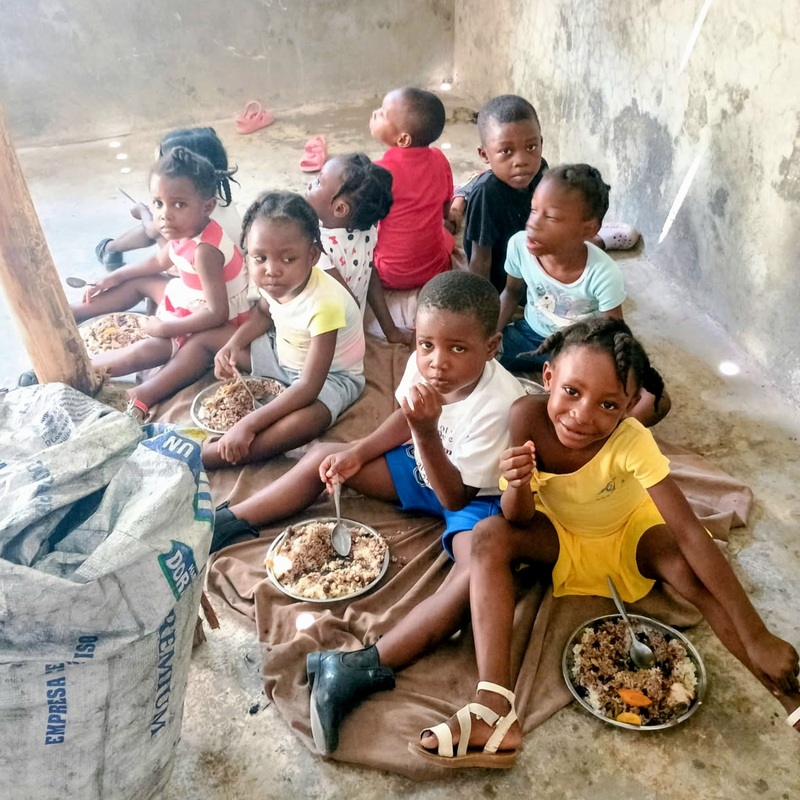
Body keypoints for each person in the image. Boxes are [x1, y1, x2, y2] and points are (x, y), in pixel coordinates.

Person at [412, 317, 800, 767]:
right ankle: (493, 709)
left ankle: (789, 694)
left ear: (632, 405)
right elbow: (519, 518)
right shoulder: (525, 418)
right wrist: (516, 485)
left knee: (691, 573)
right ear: (549, 378)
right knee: (488, 535)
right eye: (572, 393)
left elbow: (691, 532)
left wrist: (758, 633)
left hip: (630, 534)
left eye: (609, 405)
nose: (582, 416)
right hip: (564, 537)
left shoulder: (633, 442)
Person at [209, 272, 527, 754]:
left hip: (472, 498)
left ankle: (358, 669)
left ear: (492, 346)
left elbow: (453, 498)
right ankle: (229, 522)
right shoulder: (424, 366)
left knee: (474, 574)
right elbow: (404, 417)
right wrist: (359, 451)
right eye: (426, 345)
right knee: (324, 456)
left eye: (458, 349)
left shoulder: (501, 405)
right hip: (422, 466)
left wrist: (423, 432)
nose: (437, 363)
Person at [128, 191, 366, 467]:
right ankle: (144, 396)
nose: (272, 270)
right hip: (283, 352)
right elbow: (263, 314)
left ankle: (207, 457)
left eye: (288, 259)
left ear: (312, 255)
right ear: (248, 254)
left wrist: (249, 424)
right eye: (259, 258)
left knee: (306, 423)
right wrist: (234, 345)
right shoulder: (278, 282)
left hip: (330, 378)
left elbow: (309, 387)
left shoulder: (325, 304)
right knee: (207, 339)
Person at [497, 163, 669, 426]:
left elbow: (615, 332)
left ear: (588, 229)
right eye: (533, 210)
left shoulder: (602, 274)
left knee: (653, 397)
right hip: (529, 335)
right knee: (474, 356)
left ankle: (614, 435)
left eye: (551, 217)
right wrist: (491, 335)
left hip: (581, 348)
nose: (533, 223)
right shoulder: (519, 246)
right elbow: (511, 292)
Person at [71, 147, 249, 379]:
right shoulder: (184, 230)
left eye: (179, 204)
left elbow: (217, 312)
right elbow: (159, 260)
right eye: (158, 203)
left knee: (151, 349)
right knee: (139, 281)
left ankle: (77, 371)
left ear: (207, 207)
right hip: (191, 295)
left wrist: (165, 328)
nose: (165, 214)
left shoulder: (206, 250)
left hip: (213, 318)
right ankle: (71, 314)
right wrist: (116, 276)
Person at [364, 87, 457, 340]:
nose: (375, 114)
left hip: (390, 274)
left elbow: (366, 225)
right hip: (434, 267)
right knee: (441, 232)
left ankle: (389, 329)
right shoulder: (439, 159)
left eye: (382, 114)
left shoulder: (379, 173)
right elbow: (446, 207)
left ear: (403, 139)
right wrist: (444, 222)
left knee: (364, 253)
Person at [95, 127, 242, 269]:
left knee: (160, 223)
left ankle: (110, 249)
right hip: (223, 265)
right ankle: (111, 248)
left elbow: (152, 231)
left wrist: (141, 211)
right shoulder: (211, 194)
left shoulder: (198, 207)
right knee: (164, 218)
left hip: (202, 271)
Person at [450, 95, 549, 293]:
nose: (521, 160)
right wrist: (486, 305)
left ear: (541, 142)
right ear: (485, 155)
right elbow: (481, 260)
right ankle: (463, 191)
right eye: (506, 151)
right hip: (503, 285)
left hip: (532, 264)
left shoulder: (541, 171)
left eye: (531, 147)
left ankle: (601, 237)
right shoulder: (487, 193)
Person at [306, 153, 407, 343]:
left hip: (326, 344)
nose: (310, 184)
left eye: (319, 182)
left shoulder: (316, 248)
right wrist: (391, 331)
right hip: (351, 333)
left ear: (340, 209)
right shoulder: (368, 232)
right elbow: (371, 277)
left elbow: (346, 301)